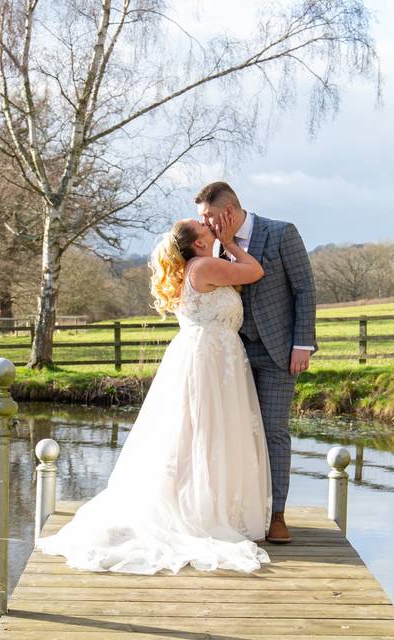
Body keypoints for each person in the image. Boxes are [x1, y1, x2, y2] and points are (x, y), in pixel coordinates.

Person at [37, 212, 273, 574]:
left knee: (197, 433)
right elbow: (255, 271)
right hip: (209, 358)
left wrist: (223, 245)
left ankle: (206, 503)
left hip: (213, 356)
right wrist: (228, 242)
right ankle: (199, 511)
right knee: (204, 432)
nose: (211, 228)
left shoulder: (199, 267)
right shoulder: (204, 266)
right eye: (205, 227)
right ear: (197, 242)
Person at [196, 181, 317, 544]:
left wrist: (303, 344)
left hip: (278, 351)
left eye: (209, 216)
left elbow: (305, 289)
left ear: (230, 209)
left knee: (273, 431)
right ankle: (239, 511)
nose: (204, 222)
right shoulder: (210, 245)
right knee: (232, 434)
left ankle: (277, 515)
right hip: (231, 353)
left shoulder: (281, 233)